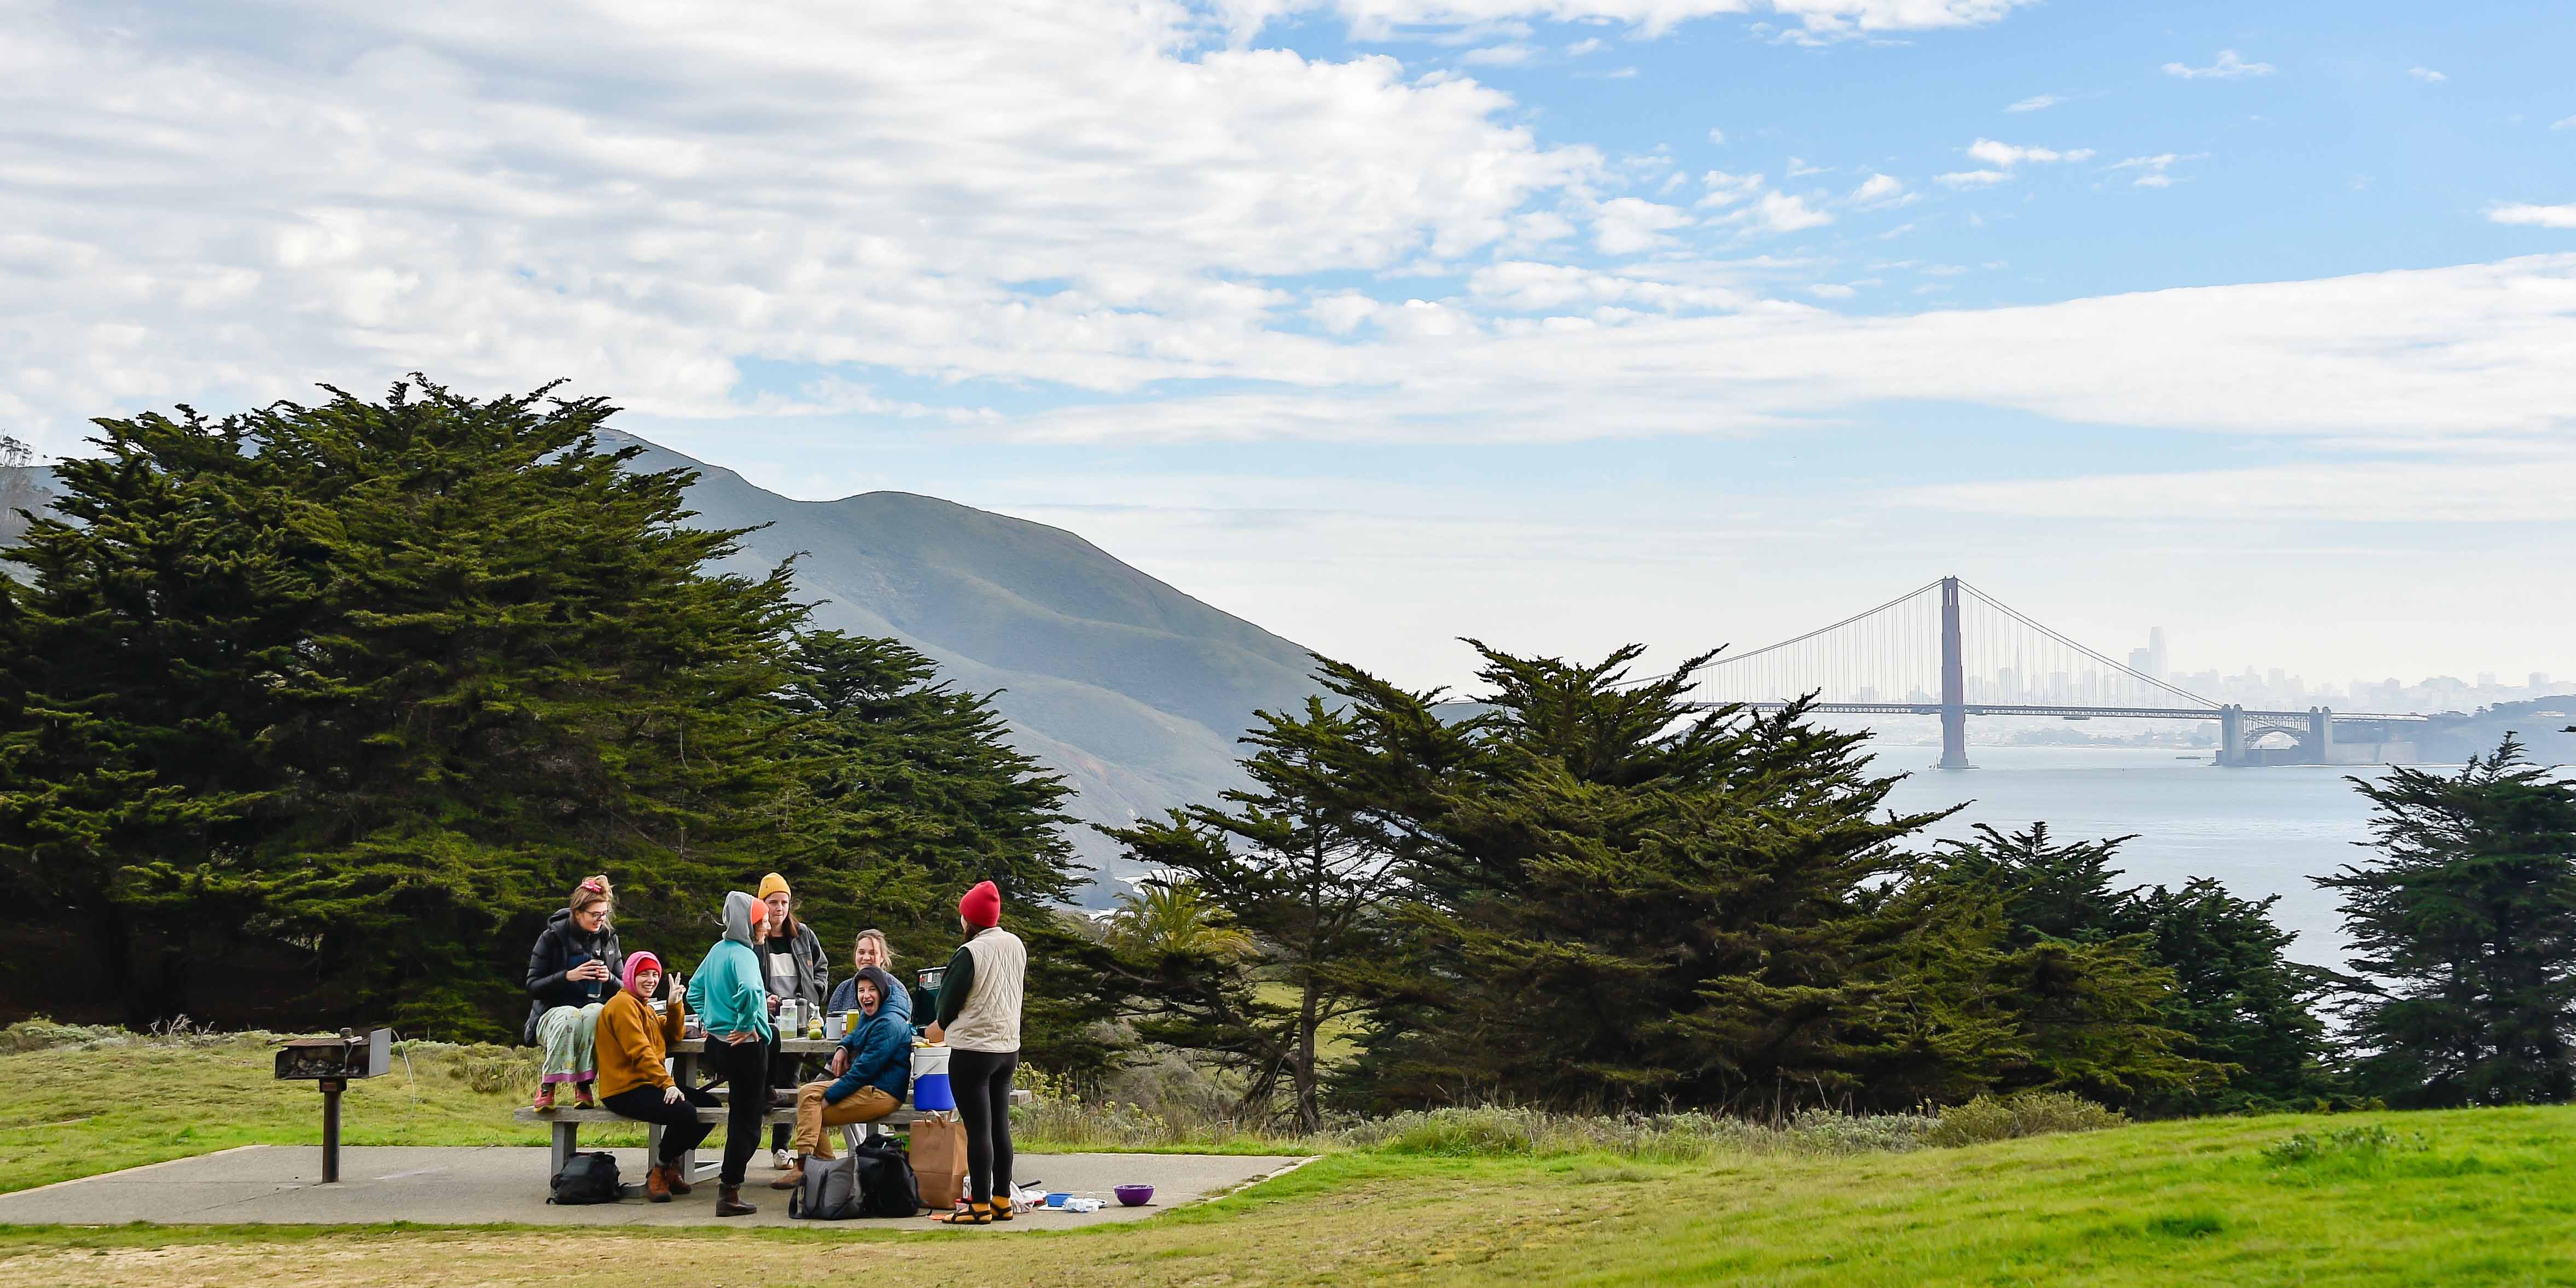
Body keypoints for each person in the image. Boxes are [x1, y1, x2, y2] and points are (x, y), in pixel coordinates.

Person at [923, 879, 1026, 1225]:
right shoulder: (1016, 945)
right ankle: (1002, 1200)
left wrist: (938, 1025)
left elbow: (946, 1006)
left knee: (977, 1128)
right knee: (1000, 1126)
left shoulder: (969, 953)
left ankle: (978, 1206)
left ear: (970, 920)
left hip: (972, 1051)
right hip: (1007, 1048)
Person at [593, 951, 718, 1202]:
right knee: (685, 1113)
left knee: (710, 1106)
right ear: (630, 976)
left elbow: (672, 1036)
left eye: (654, 975)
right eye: (643, 974)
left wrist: (674, 1004)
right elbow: (640, 1052)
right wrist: (668, 1084)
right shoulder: (623, 1005)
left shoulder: (645, 1007)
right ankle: (660, 1170)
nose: (650, 980)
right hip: (624, 1090)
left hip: (649, 1085)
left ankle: (669, 1167)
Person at [772, 966, 910, 1190]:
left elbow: (861, 1073)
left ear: (882, 992)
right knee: (807, 1092)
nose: (866, 995)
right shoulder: (875, 1014)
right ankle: (825, 1170)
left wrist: (831, 1098)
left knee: (813, 1112)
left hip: (883, 1092)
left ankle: (811, 1167)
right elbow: (856, 1034)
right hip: (867, 1085)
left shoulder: (889, 1023)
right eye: (861, 990)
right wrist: (843, 1047)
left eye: (872, 990)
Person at [686, 890, 776, 1217]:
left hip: (718, 1049)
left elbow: (694, 991)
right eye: (762, 920)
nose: (767, 925)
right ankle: (730, 1192)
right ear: (748, 924)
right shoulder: (745, 956)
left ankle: (769, 1090)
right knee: (746, 1124)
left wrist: (710, 1020)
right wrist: (745, 1022)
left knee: (774, 1037)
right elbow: (752, 991)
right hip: (745, 1050)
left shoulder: (716, 951)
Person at [524, 875, 624, 1111]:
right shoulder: (551, 937)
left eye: (604, 914)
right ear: (577, 913)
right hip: (552, 1014)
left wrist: (608, 978)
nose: (601, 920)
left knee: (596, 1013)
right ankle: (548, 1086)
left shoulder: (610, 940)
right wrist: (568, 976)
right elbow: (533, 985)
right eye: (595, 915)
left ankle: (584, 1084)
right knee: (569, 1015)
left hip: (590, 1008)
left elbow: (624, 988)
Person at [755, 872, 830, 1170]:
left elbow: (821, 966)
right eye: (773, 902)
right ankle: (751, 1141)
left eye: (784, 902)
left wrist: (817, 991)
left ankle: (781, 1148)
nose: (779, 908)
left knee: (791, 1081)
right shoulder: (755, 938)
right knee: (765, 1079)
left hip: (801, 1019)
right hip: (767, 1020)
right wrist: (765, 999)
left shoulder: (803, 935)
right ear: (763, 904)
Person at [824, 929, 906, 1025]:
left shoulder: (897, 989)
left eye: (872, 953)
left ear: (882, 957)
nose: (866, 958)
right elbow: (829, 1027)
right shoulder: (842, 990)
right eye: (862, 953)